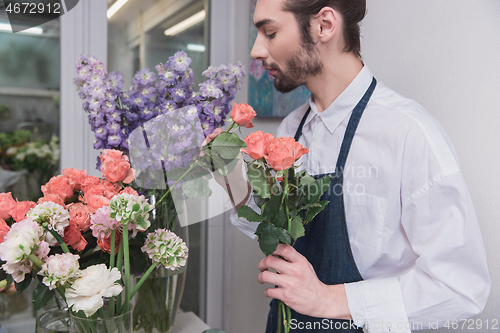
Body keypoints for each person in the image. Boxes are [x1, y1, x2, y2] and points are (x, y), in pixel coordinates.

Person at [217, 0, 491, 331]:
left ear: (324, 25)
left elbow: (462, 287)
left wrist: (326, 299)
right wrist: (231, 174)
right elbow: (277, 231)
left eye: (270, 32)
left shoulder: (407, 133)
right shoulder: (291, 129)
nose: (256, 50)